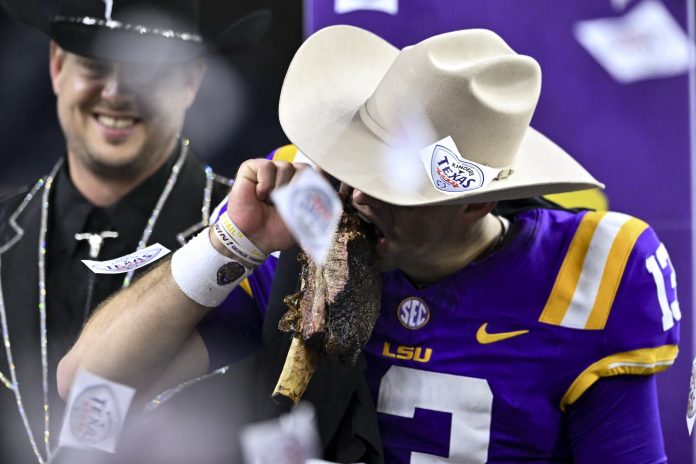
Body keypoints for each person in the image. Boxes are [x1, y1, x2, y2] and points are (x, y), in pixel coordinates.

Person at [59, 26, 681, 463]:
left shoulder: (588, 273)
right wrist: (232, 242)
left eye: (394, 185)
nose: (356, 195)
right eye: (356, 163)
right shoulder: (312, 216)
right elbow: (88, 381)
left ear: (477, 203)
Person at [0, 0, 271, 462]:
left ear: (192, 82)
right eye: (95, 65)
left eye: (147, 70)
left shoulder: (260, 231)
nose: (118, 91)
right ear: (57, 66)